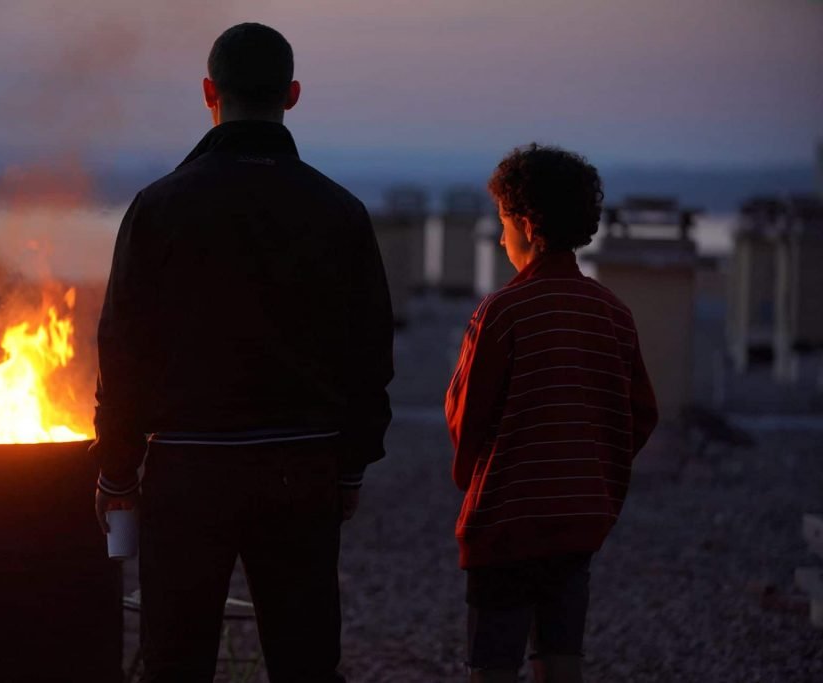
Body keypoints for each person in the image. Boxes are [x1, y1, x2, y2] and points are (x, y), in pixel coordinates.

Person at [91, 22, 394, 683]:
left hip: (187, 468)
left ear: (208, 92)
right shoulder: (339, 212)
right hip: (303, 464)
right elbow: (370, 352)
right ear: (292, 94)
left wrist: (117, 471)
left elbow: (122, 348)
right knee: (306, 661)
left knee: (175, 663)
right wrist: (349, 467)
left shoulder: (159, 207)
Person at [445, 144, 658, 683]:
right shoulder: (613, 312)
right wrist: (589, 466)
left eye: (502, 223)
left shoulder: (502, 312)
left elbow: (466, 416)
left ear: (526, 222)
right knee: (562, 657)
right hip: (579, 518)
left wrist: (469, 473)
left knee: (492, 663)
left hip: (506, 524)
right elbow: (639, 413)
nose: (498, 238)